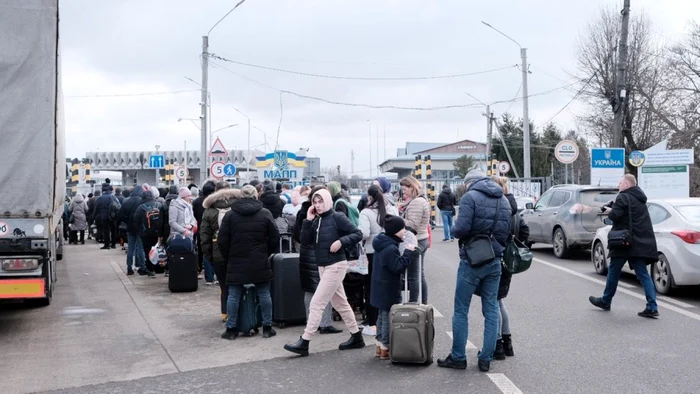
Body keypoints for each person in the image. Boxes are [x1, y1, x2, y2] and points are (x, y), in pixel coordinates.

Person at [437, 169, 511, 373]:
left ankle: (458, 357)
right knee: (491, 310)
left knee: (461, 309)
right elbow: (507, 231)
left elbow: (460, 229)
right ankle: (486, 358)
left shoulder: (470, 197)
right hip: (495, 260)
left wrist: (453, 231)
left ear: (469, 183)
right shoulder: (503, 200)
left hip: (472, 260)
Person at [284, 189, 365, 356]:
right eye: (315, 201)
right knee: (340, 303)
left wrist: (341, 242)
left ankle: (305, 341)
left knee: (316, 303)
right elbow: (305, 241)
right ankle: (357, 336)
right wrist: (308, 219)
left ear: (328, 201)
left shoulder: (337, 217)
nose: (317, 205)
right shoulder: (316, 220)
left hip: (336, 265)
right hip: (324, 266)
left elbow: (358, 234)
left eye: (321, 201)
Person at [589, 174, 659, 318]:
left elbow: (616, 216)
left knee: (614, 271)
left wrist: (609, 212)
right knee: (643, 275)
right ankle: (652, 306)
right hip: (638, 243)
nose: (618, 185)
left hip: (623, 242)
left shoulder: (623, 196)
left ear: (627, 184)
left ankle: (606, 301)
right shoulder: (641, 199)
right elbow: (630, 215)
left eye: (620, 183)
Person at [219, 185, 280, 340]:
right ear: (255, 196)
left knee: (233, 295)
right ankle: (267, 327)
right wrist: (266, 252)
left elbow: (222, 241)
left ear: (241, 196)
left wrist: (229, 256)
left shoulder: (230, 215)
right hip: (259, 260)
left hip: (236, 260)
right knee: (264, 293)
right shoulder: (265, 213)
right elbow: (275, 237)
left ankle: (231, 329)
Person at [294, 186, 342, 335]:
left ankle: (311, 323)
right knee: (325, 289)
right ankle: (325, 324)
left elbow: (297, 234)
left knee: (310, 289)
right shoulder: (322, 213)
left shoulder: (303, 211)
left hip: (306, 254)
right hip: (320, 253)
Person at [370, 215, 416, 359]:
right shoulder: (390, 248)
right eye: (402, 229)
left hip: (379, 285)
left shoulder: (381, 243)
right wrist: (408, 252)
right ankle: (385, 346)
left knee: (381, 315)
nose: (404, 231)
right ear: (395, 231)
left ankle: (379, 345)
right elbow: (398, 267)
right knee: (387, 316)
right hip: (388, 287)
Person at [358, 185, 399, 336]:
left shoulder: (366, 212)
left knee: (371, 289)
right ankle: (389, 322)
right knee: (389, 287)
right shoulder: (392, 209)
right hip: (391, 250)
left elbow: (364, 233)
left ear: (369, 197)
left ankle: (373, 322)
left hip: (372, 252)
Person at [201, 181, 240, 321]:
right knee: (239, 283)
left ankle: (226, 314)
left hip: (218, 253)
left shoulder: (209, 210)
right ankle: (242, 312)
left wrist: (209, 255)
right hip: (238, 251)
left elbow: (204, 236)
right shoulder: (239, 206)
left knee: (224, 285)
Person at [398, 176, 430, 304]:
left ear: (412, 187)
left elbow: (412, 224)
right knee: (419, 274)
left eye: (405, 189)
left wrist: (397, 219)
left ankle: (413, 303)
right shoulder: (420, 200)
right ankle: (422, 303)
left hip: (415, 240)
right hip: (422, 238)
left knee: (414, 275)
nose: (403, 192)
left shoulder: (417, 202)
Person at [133, 186, 163, 278]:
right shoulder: (159, 205)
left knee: (148, 251)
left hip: (146, 234)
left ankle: (150, 270)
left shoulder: (141, 208)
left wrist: (140, 231)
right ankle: (160, 268)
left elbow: (136, 221)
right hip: (158, 233)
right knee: (159, 250)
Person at [118, 184, 147, 275]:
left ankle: (129, 268)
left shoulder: (127, 201)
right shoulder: (142, 201)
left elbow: (120, 215)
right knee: (140, 247)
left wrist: (127, 221)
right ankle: (142, 267)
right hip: (140, 228)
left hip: (130, 227)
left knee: (131, 248)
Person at [193, 180, 217, 283]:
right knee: (216, 252)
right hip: (215, 230)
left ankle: (208, 277)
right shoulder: (214, 201)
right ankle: (215, 275)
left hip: (201, 230)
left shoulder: (196, 202)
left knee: (205, 252)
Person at [95, 184, 119, 249]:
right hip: (112, 216)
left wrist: (95, 216)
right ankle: (113, 244)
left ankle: (107, 244)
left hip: (104, 216)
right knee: (113, 230)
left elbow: (96, 208)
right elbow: (118, 206)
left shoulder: (100, 198)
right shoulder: (113, 197)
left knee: (106, 231)